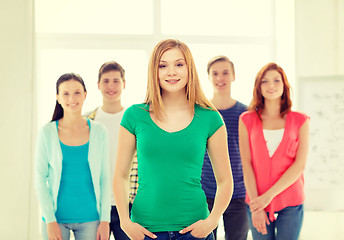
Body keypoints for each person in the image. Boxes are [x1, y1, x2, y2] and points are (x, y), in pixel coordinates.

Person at [113, 39, 234, 240]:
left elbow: (225, 180)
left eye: (179, 64)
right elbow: (120, 176)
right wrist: (125, 222)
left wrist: (212, 221)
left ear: (189, 69)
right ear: (154, 71)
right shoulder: (134, 116)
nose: (171, 72)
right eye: (163, 65)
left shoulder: (210, 118)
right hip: (145, 231)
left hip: (195, 230)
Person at [34, 73, 111, 240]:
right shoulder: (47, 132)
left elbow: (105, 178)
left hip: (91, 219)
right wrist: (50, 220)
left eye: (77, 92)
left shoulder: (99, 132)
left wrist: (105, 220)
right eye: (66, 94)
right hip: (55, 220)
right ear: (58, 98)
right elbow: (39, 178)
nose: (72, 98)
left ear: (85, 94)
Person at [239, 63, 309, 240]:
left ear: (284, 85)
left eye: (276, 80)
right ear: (258, 86)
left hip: (291, 200)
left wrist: (267, 197)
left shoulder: (300, 120)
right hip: (256, 200)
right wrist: (257, 205)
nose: (271, 86)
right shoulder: (246, 119)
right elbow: (246, 164)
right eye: (265, 81)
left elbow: (299, 165)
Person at [84, 61, 136, 239]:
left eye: (116, 81)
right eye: (106, 81)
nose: (111, 86)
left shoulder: (135, 120)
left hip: (130, 204)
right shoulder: (87, 121)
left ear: (124, 84)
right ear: (98, 85)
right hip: (94, 205)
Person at [201, 56, 248, 240]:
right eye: (215, 73)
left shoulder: (246, 113)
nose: (220, 78)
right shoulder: (201, 111)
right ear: (209, 77)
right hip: (205, 192)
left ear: (234, 76)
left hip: (238, 194)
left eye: (225, 73)